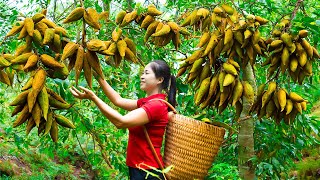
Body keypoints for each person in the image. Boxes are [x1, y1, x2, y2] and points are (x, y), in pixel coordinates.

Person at [70, 60, 176, 180]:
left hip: (148, 171)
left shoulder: (156, 105)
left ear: (159, 80)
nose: (142, 76)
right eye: (142, 73)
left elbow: (121, 122)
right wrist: (96, 73)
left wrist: (94, 98)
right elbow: (118, 100)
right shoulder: (149, 102)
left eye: (146, 73)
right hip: (139, 169)